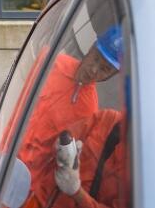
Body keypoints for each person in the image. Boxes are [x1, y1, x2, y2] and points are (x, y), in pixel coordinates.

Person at [20, 25, 126, 208]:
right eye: (96, 59)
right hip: (6, 162)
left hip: (34, 187)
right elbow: (18, 103)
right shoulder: (50, 62)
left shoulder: (91, 109)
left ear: (113, 75)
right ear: (91, 47)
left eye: (105, 69)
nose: (94, 70)